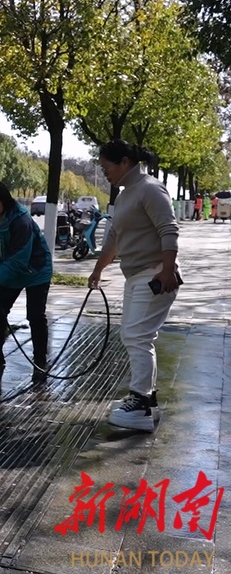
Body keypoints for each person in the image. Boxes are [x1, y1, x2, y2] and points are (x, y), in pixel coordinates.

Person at [88, 140, 179, 432]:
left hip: (153, 274)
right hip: (135, 275)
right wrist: (98, 269)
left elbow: (168, 229)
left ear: (125, 162)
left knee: (137, 336)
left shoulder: (151, 189)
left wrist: (167, 270)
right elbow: (114, 236)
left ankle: (140, 401)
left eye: (107, 167)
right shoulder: (126, 195)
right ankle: (145, 400)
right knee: (134, 336)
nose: (105, 173)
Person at [0, 181, 52, 370]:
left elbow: (18, 258)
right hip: (10, 271)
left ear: (5, 200)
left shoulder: (20, 220)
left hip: (35, 270)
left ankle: (40, 361)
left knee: (35, 316)